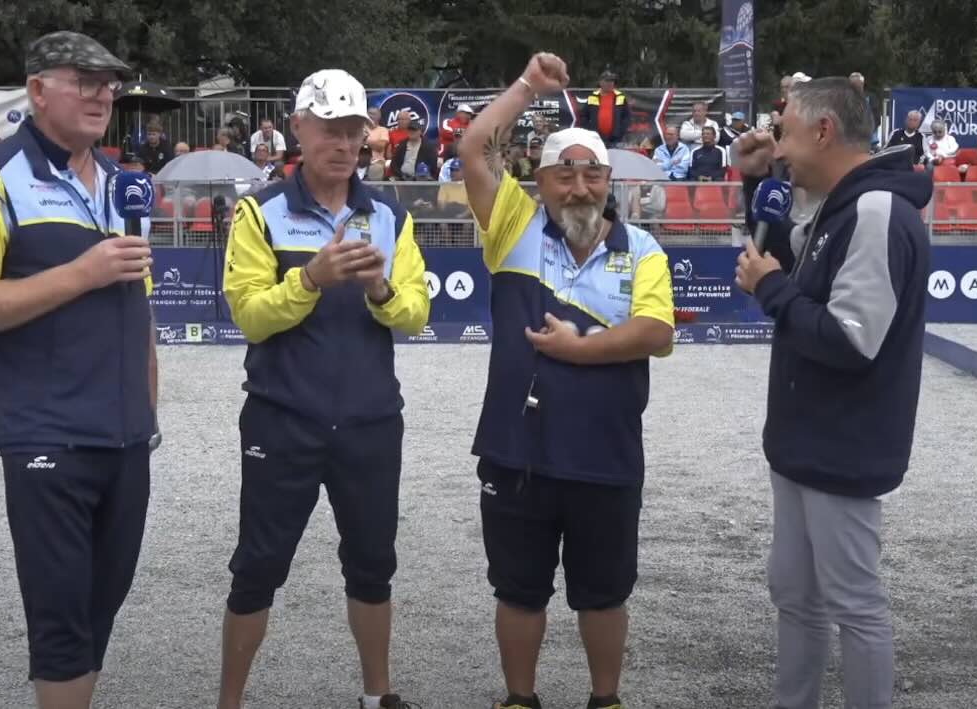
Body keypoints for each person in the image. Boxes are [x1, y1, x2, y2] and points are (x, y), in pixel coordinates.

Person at [0, 30, 158, 709]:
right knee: (61, 628)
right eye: (82, 79)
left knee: (96, 618)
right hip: (47, 440)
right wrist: (80, 273)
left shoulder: (125, 185)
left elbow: (137, 315)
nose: (101, 93)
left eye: (109, 82)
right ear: (35, 90)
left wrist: (149, 416)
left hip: (126, 441)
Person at [459, 52, 674, 709]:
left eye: (592, 174)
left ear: (609, 180)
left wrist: (580, 350)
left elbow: (656, 333)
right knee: (518, 590)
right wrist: (526, 87)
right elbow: (474, 145)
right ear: (540, 182)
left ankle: (604, 698)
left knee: (604, 593)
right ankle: (520, 698)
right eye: (564, 175)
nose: (579, 187)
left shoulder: (643, 250)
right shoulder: (514, 231)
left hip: (605, 456)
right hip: (516, 451)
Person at [218, 68, 429, 709]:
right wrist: (309, 280)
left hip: (368, 420)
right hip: (283, 419)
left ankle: (377, 695)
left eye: (352, 132)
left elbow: (417, 313)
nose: (341, 145)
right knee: (257, 567)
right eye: (329, 130)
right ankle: (229, 702)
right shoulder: (261, 211)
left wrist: (380, 290)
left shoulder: (388, 216)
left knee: (372, 565)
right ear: (298, 129)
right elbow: (248, 315)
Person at [732, 77, 931, 709]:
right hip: (802, 440)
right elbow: (789, 267)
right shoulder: (838, 203)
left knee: (855, 605)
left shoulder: (874, 211)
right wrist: (751, 186)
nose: (779, 150)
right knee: (795, 596)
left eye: (786, 135)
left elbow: (851, 340)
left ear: (823, 130)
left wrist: (771, 291)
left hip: (843, 443)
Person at [581, 70, 630, 147]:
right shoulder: (593, 96)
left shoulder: (620, 97)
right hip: (595, 138)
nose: (610, 83)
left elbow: (627, 117)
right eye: (607, 81)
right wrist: (590, 130)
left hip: (615, 139)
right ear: (600, 82)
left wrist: (620, 131)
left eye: (612, 81)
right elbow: (584, 116)